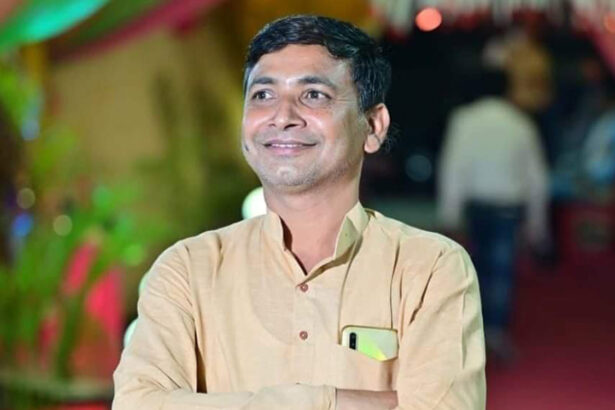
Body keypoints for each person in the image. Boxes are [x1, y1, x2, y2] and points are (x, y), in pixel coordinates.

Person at [113, 15, 485, 410]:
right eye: (263, 95)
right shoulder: (188, 270)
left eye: (314, 95)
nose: (282, 116)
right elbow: (138, 404)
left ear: (374, 126)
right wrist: (328, 400)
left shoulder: (428, 268)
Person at [438, 68, 549, 363]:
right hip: (508, 209)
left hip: (475, 207)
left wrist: (449, 214)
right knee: (501, 272)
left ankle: (468, 336)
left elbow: (453, 167)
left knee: (468, 272)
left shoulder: (463, 119)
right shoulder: (520, 122)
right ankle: (496, 333)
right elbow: (536, 176)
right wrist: (537, 224)